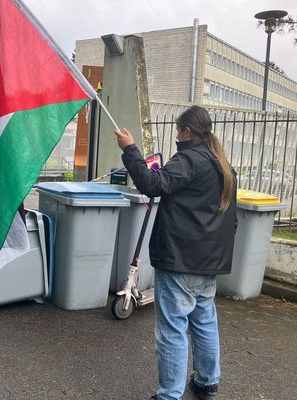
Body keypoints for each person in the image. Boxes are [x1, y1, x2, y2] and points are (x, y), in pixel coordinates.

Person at [113, 106, 237, 400]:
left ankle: (169, 395)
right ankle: (207, 383)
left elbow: (152, 185)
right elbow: (230, 217)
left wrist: (130, 149)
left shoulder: (189, 159)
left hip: (180, 259)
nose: (176, 136)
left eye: (178, 130)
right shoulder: (223, 164)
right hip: (208, 261)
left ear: (188, 131)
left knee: (172, 329)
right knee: (205, 321)